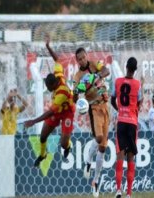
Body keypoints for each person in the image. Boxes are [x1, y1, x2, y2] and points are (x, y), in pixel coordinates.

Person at [24, 35, 75, 167]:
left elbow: (49, 112)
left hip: (67, 112)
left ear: (53, 86)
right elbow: (57, 59)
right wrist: (48, 47)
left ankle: (69, 145)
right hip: (57, 111)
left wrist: (33, 121)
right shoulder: (58, 75)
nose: (48, 90)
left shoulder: (61, 93)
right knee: (43, 136)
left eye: (48, 88)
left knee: (63, 144)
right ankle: (42, 154)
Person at [73, 47, 110, 197]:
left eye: (83, 57)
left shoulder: (95, 64)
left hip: (105, 106)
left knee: (102, 148)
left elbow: (106, 71)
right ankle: (88, 160)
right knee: (99, 138)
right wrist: (78, 91)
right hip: (93, 107)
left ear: (86, 56)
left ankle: (95, 182)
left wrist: (96, 76)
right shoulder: (77, 76)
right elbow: (75, 95)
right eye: (79, 59)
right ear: (77, 61)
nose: (82, 60)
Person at [111, 57, 143, 198]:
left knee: (120, 156)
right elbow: (139, 102)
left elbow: (112, 99)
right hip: (132, 123)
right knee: (131, 158)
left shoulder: (117, 82)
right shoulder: (137, 84)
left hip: (121, 122)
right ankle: (129, 193)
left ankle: (118, 190)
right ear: (135, 69)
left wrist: (119, 110)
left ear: (126, 67)